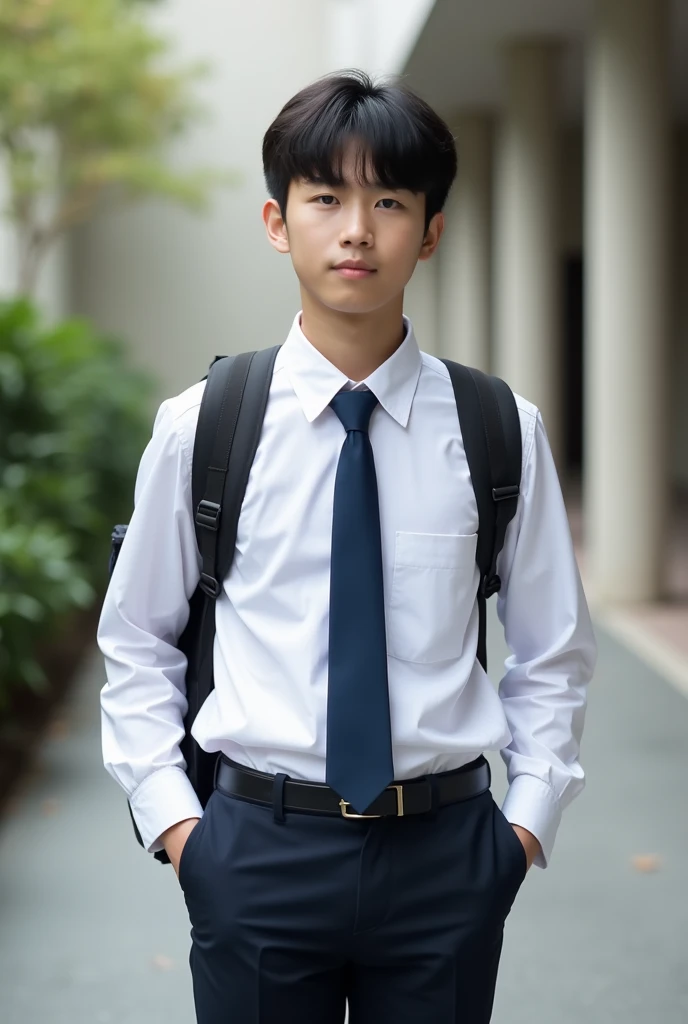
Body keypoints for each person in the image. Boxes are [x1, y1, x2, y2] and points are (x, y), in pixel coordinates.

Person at [97, 69, 596, 1023]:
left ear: (432, 232)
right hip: (254, 850)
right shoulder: (202, 425)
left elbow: (553, 649)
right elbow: (136, 638)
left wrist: (524, 827)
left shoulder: (499, 427)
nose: (357, 228)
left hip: (445, 856)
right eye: (325, 197)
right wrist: (179, 827)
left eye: (390, 201)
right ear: (278, 221)